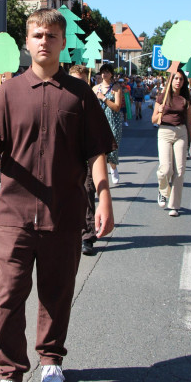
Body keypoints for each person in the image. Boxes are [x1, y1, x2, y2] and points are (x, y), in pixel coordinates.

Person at [0, 8, 115, 382]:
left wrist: (104, 198)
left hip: (64, 213)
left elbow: (95, 151)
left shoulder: (80, 94)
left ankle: (51, 361)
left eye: (51, 35)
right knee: (10, 293)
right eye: (36, 34)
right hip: (14, 213)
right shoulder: (7, 93)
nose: (43, 41)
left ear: (62, 43)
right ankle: (9, 374)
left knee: (56, 294)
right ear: (26, 42)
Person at [70, 64, 114, 256]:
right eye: (74, 81)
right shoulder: (61, 99)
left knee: (88, 190)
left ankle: (87, 236)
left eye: (82, 82)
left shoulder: (91, 101)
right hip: (67, 158)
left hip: (88, 155)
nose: (78, 85)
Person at [152, 69, 191, 216]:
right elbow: (153, 120)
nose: (178, 82)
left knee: (180, 171)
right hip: (164, 132)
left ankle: (174, 205)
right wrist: (160, 111)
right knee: (165, 169)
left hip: (181, 133)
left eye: (181, 79)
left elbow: (189, 121)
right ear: (170, 81)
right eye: (176, 79)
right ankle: (163, 190)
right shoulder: (162, 97)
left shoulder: (185, 99)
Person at [93, 63, 123, 184]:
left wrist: (103, 98)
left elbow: (117, 107)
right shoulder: (95, 89)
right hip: (100, 121)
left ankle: (113, 167)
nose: (104, 74)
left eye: (107, 72)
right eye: (103, 72)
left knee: (113, 149)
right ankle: (103, 177)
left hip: (113, 121)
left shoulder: (116, 88)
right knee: (102, 151)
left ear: (111, 74)